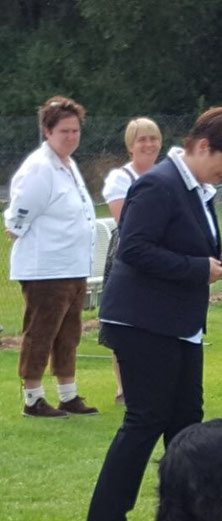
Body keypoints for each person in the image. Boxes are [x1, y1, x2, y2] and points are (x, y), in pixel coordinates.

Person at [82, 106, 222, 521]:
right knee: (146, 421)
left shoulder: (197, 189)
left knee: (186, 424)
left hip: (179, 324)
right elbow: (134, 251)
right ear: (201, 146)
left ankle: (195, 517)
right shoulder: (158, 185)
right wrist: (199, 268)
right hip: (142, 321)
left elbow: (195, 250)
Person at [4, 95, 99, 419]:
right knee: (41, 332)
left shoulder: (68, 165)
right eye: (64, 131)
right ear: (47, 131)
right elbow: (18, 215)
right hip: (46, 268)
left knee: (69, 333)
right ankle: (33, 397)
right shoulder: (40, 169)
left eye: (75, 130)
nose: (71, 137)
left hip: (72, 266)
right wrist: (16, 228)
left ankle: (68, 394)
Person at [100, 117, 162, 405]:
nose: (148, 144)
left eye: (153, 138)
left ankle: (153, 381)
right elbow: (126, 222)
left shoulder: (165, 175)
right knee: (126, 325)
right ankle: (124, 388)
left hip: (161, 256)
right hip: (129, 257)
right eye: (142, 139)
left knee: (156, 321)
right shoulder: (120, 179)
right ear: (130, 146)